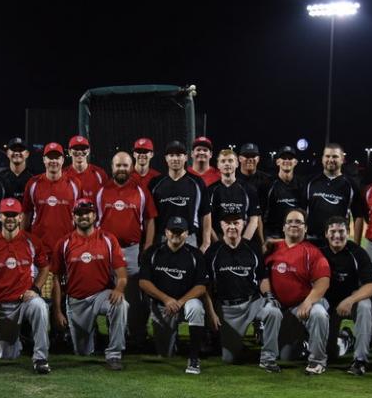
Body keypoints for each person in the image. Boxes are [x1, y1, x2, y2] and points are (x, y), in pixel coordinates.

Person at [51, 198, 129, 370]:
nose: (83, 216)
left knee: (121, 305)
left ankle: (114, 354)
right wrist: (57, 311)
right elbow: (56, 278)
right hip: (76, 300)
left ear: (94, 215)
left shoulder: (108, 240)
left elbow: (122, 273)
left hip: (102, 295)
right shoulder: (64, 243)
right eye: (79, 213)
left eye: (87, 213)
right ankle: (94, 337)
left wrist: (119, 288)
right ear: (73, 217)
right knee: (82, 352)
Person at [0, 198, 52, 374]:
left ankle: (41, 358)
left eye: (14, 215)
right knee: (8, 355)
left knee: (40, 306)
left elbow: (45, 267)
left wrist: (35, 289)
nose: (10, 218)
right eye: (6, 214)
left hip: (25, 301)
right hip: (2, 304)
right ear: (0, 217)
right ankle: (14, 339)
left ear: (20, 218)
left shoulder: (31, 241)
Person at [203, 214, 283, 371]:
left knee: (273, 311)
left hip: (252, 302)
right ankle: (238, 343)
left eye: (236, 223)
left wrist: (268, 296)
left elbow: (262, 278)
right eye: (228, 223)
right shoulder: (213, 252)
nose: (232, 227)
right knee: (229, 359)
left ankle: (268, 358)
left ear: (243, 225)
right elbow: (206, 287)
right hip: (226, 308)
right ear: (221, 225)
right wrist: (211, 312)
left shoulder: (252, 248)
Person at [96, 151, 157, 350]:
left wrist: (147, 246)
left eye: (125, 165)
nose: (121, 169)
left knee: (134, 296)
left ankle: (138, 336)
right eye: (118, 165)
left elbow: (150, 219)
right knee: (108, 294)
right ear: (112, 167)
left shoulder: (140, 190)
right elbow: (93, 221)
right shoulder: (101, 191)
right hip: (106, 252)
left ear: (131, 167)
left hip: (131, 250)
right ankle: (114, 335)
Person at [138, 216, 209, 374]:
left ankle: (194, 358)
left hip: (185, 304)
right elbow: (143, 282)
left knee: (196, 308)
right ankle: (173, 341)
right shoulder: (153, 252)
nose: (176, 234)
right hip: (163, 307)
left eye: (180, 231)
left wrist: (181, 301)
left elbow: (201, 286)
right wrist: (167, 299)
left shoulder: (195, 255)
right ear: (166, 232)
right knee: (165, 354)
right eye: (172, 231)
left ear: (187, 234)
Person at [264, 208, 331, 373]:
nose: (294, 225)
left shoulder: (313, 253)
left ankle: (317, 361)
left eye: (299, 222)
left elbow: (323, 282)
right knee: (287, 356)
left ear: (306, 228)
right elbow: (261, 275)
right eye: (290, 222)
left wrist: (308, 302)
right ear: (283, 227)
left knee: (319, 313)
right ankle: (267, 358)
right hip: (278, 306)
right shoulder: (271, 248)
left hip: (300, 307)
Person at [320, 216, 372, 376]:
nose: (337, 236)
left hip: (353, 302)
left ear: (349, 232)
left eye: (341, 231)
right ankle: (345, 339)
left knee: (365, 305)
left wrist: (350, 300)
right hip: (329, 304)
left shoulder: (358, 252)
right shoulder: (320, 252)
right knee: (331, 354)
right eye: (332, 231)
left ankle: (360, 360)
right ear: (326, 234)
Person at [149, 140, 212, 251]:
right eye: (171, 155)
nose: (175, 159)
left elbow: (206, 214)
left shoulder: (197, 182)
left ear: (186, 157)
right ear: (166, 158)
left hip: (189, 238)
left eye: (179, 155)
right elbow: (150, 217)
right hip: (163, 238)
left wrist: (206, 242)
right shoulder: (155, 183)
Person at [22, 141, 80, 257]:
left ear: (63, 160)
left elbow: (80, 215)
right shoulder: (33, 183)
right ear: (44, 160)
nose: (53, 161)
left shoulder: (75, 184)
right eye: (50, 157)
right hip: (39, 248)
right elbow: (26, 214)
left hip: (67, 247)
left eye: (57, 158)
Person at [304, 143, 365, 244]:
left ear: (342, 159)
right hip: (312, 240)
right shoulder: (310, 182)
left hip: (338, 241)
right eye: (327, 156)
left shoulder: (351, 185)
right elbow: (301, 212)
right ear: (322, 158)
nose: (331, 160)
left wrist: (356, 245)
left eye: (335, 156)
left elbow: (358, 216)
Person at [207, 148, 260, 242]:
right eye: (223, 161)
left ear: (237, 164)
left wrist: (243, 242)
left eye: (230, 161)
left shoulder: (249, 189)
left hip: (243, 240)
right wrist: (218, 244)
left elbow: (254, 220)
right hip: (218, 240)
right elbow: (207, 222)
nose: (227, 164)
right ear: (218, 165)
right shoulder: (210, 190)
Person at [263, 145, 305, 241]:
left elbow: (304, 213)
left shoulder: (302, 185)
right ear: (278, 162)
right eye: (283, 158)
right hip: (273, 237)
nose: (287, 160)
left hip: (295, 236)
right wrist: (264, 239)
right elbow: (260, 216)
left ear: (295, 162)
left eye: (290, 158)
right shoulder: (268, 185)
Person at [237, 142, 272, 243]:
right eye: (246, 156)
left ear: (258, 159)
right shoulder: (232, 178)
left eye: (253, 156)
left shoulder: (267, 180)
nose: (250, 159)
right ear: (239, 158)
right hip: (238, 228)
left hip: (264, 229)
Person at [66, 134, 109, 199]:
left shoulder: (100, 174)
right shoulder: (63, 174)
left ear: (88, 151)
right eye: (76, 149)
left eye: (83, 149)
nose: (80, 152)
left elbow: (106, 199)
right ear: (69, 152)